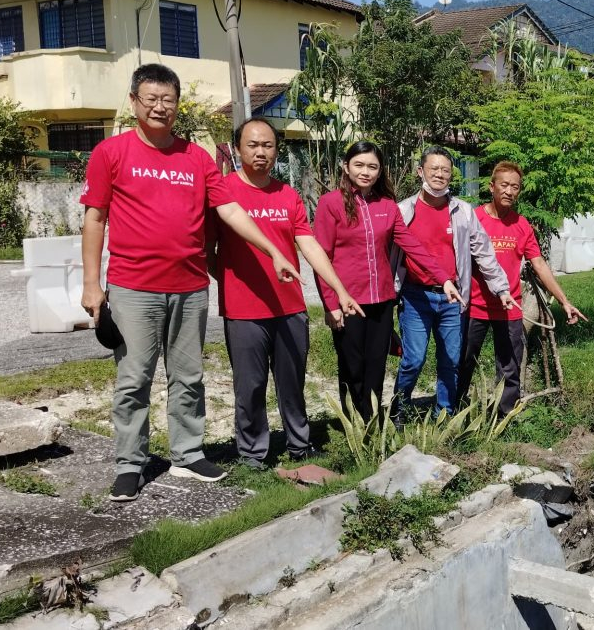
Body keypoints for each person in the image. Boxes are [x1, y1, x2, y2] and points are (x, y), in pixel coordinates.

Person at [80, 64, 300, 502]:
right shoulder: (112, 152)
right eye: (151, 99)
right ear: (134, 103)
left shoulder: (196, 158)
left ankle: (187, 453)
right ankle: (130, 463)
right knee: (134, 377)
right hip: (133, 286)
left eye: (168, 100)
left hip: (190, 286)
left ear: (178, 104)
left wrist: (272, 249)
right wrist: (91, 283)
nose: (160, 107)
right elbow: (95, 217)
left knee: (189, 376)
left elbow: (231, 211)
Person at [206, 118, 363, 470]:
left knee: (293, 382)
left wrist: (339, 289)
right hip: (244, 310)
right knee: (250, 385)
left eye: (268, 146)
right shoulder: (223, 190)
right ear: (237, 149)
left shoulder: (287, 194)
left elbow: (308, 244)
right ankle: (252, 453)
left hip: (289, 306)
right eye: (252, 145)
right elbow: (208, 252)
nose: (260, 152)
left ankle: (299, 445)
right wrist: (234, 280)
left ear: (277, 151)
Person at [314, 141, 461, 423]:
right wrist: (330, 304)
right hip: (348, 302)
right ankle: (353, 426)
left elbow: (413, 246)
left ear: (380, 171)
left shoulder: (387, 206)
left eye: (372, 166)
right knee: (352, 367)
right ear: (346, 166)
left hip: (381, 302)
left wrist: (443, 279)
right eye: (359, 165)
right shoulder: (330, 203)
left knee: (376, 366)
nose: (366, 171)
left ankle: (371, 423)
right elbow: (321, 257)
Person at [457, 161, 587, 415]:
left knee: (510, 368)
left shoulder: (522, 225)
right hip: (475, 306)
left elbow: (538, 263)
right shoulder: (474, 219)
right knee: (462, 362)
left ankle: (505, 418)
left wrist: (564, 301)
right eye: (504, 185)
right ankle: (454, 412)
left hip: (510, 308)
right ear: (491, 186)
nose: (509, 191)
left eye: (514, 187)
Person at [392, 147, 513, 420]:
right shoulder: (403, 210)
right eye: (433, 168)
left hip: (453, 299)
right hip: (415, 296)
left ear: (451, 176)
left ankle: (443, 414)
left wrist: (501, 288)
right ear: (420, 171)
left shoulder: (463, 211)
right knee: (413, 359)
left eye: (445, 170)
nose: (439, 174)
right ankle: (398, 410)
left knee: (450, 361)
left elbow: (483, 252)